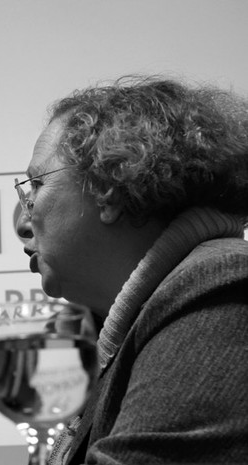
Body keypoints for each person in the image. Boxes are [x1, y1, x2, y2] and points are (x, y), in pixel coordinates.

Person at [15, 76, 248, 464]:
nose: (24, 221)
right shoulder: (128, 329)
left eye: (36, 185)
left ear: (108, 190)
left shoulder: (221, 290)